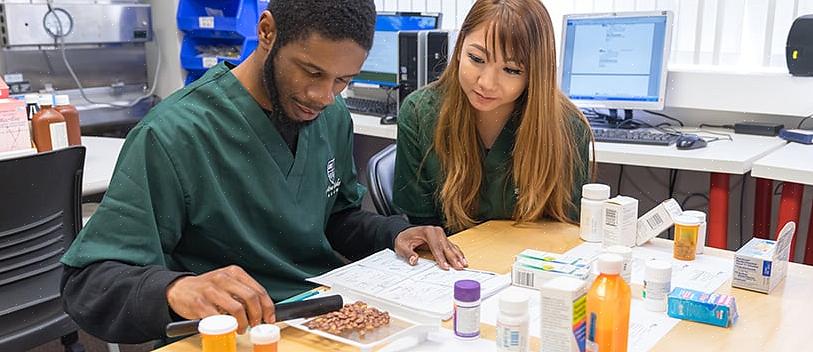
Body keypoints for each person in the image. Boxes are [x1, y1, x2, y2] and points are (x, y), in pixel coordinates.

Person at [60, 0, 466, 343]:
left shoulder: (331, 117)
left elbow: (336, 218)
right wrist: (176, 288)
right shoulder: (172, 135)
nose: (324, 96)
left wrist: (393, 233)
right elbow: (89, 282)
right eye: (311, 72)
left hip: (322, 317)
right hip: (237, 335)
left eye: (343, 80)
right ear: (267, 32)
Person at [393, 0, 593, 234]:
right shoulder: (419, 114)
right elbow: (423, 231)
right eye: (476, 59)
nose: (486, 83)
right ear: (459, 49)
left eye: (511, 70)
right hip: (450, 266)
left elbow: (567, 231)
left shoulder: (567, 128)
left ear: (535, 74)